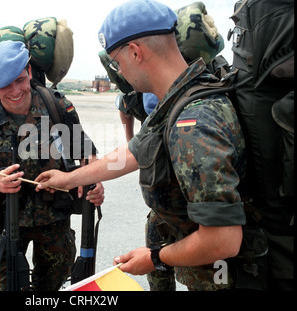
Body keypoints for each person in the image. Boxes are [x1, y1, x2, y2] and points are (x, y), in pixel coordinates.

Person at [36, 0, 247, 291]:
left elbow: (222, 239)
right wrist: (68, 178)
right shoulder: (179, 98)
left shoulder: (193, 122)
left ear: (135, 52)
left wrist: (155, 258)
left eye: (116, 62)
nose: (119, 71)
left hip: (224, 279)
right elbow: (133, 152)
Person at [0, 40, 104, 291]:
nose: (15, 91)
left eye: (20, 80)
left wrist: (93, 182)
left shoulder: (56, 107)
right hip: (7, 224)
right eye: (5, 85)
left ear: (30, 73)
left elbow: (86, 153)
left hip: (55, 223)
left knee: (50, 290)